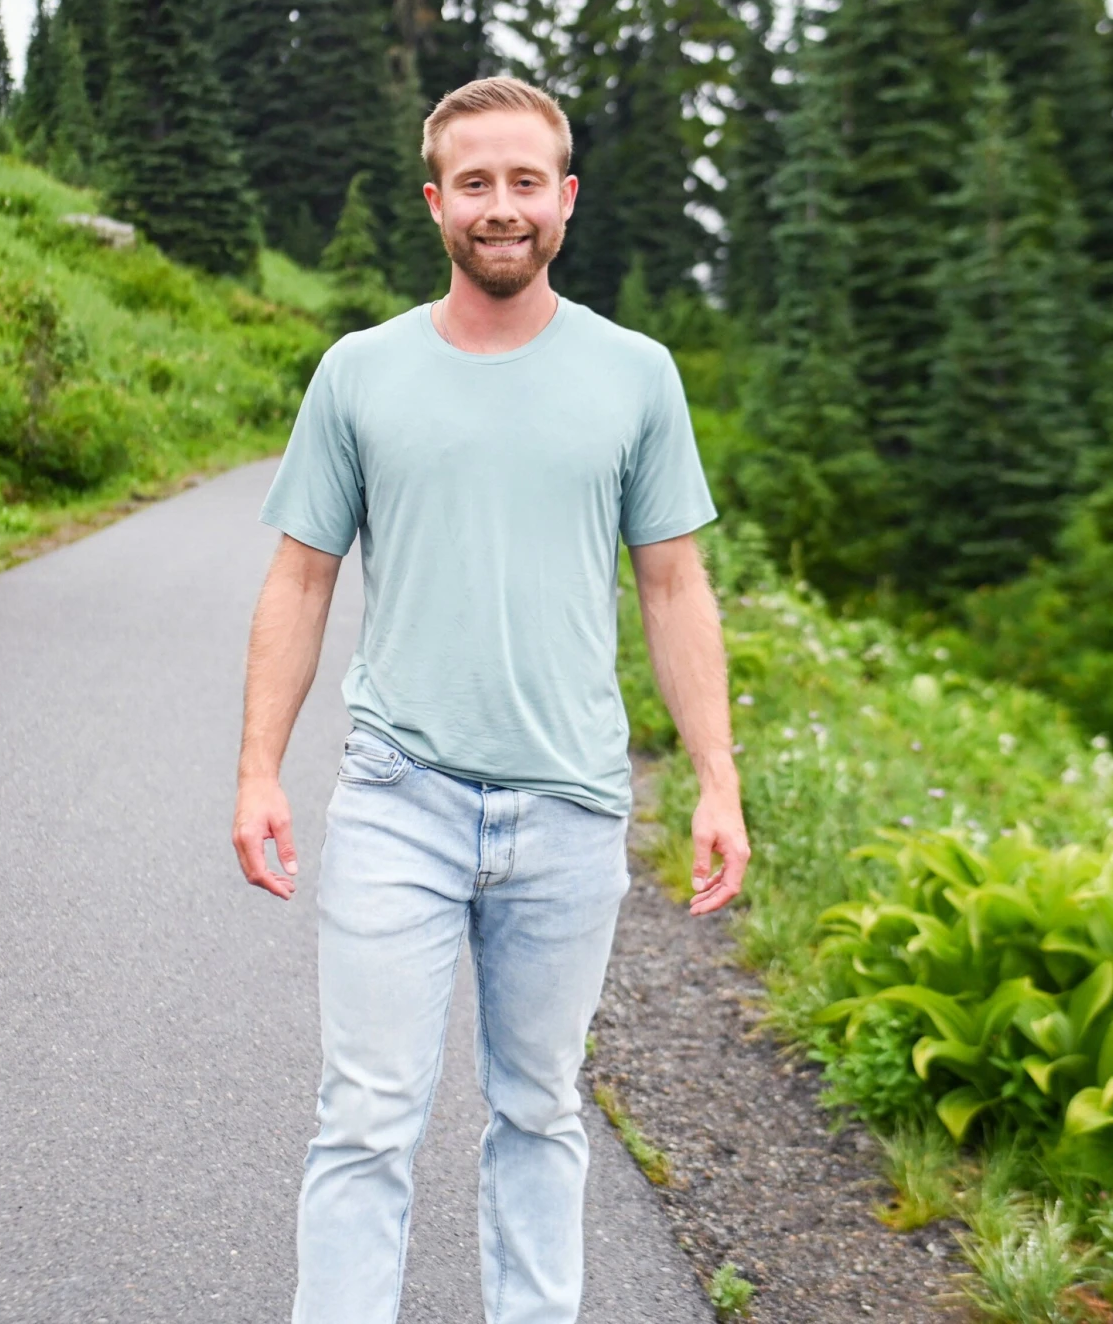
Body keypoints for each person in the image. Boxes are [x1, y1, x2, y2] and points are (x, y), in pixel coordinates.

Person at [232, 75, 750, 1324]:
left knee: (539, 1112)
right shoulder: (360, 373)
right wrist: (257, 768)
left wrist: (718, 783)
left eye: (526, 182)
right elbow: (301, 580)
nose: (501, 207)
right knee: (365, 1119)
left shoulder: (636, 375)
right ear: (437, 203)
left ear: (565, 200)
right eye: (476, 183)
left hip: (571, 810)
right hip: (399, 796)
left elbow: (675, 588)